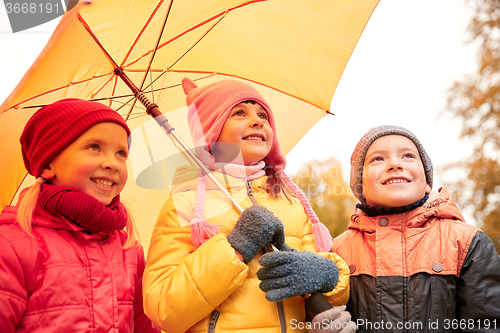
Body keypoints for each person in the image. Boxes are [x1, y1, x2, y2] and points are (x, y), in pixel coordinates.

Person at [143, 78, 354, 333]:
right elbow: (163, 309)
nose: (258, 121)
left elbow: (328, 298)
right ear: (212, 131)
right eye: (239, 113)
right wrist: (237, 246)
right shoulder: (186, 204)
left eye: (263, 114)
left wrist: (328, 277)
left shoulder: (292, 204)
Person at [0, 99, 159, 333]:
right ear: (48, 164)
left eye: (121, 153)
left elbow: (145, 326)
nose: (112, 163)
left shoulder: (128, 248)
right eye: (94, 147)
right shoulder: (12, 244)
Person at [332, 125, 500, 333]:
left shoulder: (467, 243)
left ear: (427, 183)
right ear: (360, 186)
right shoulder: (337, 251)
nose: (394, 164)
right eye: (378, 159)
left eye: (408, 156)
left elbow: (487, 326)